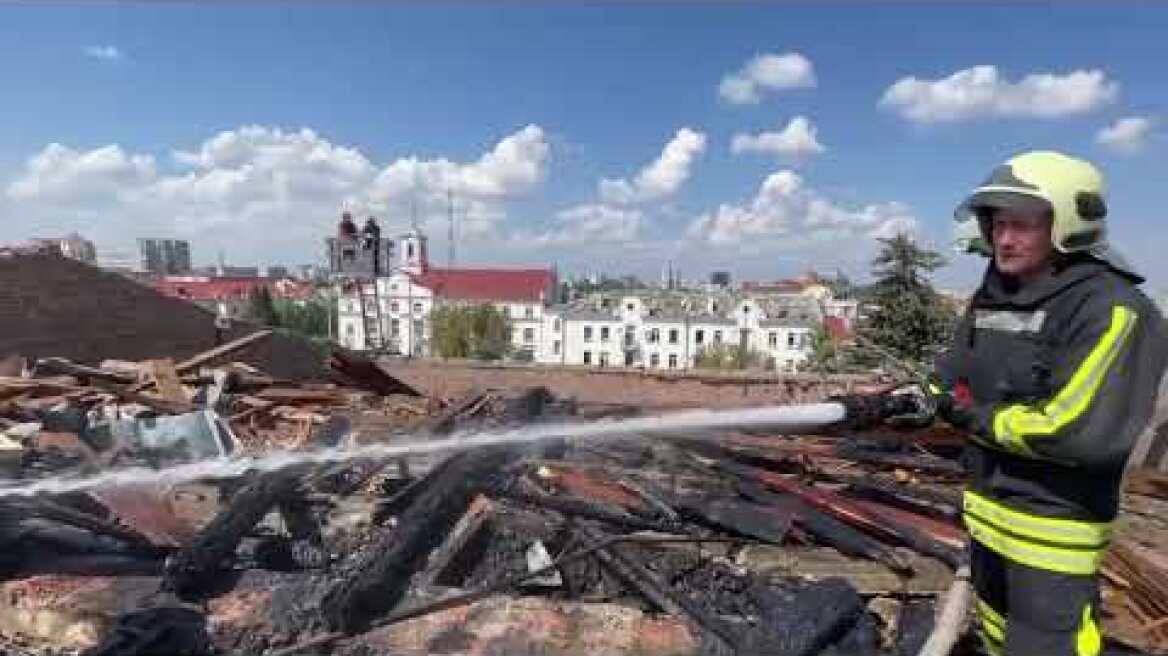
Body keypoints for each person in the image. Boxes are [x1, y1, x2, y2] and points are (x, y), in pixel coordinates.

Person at [928, 151, 1168, 656]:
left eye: (1021, 226)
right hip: (989, 514)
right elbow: (951, 375)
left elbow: (1080, 431)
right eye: (997, 224)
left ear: (1068, 226)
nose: (1004, 239)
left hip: (1054, 534)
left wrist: (970, 417)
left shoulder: (1114, 309)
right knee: (995, 636)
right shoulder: (996, 294)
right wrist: (924, 397)